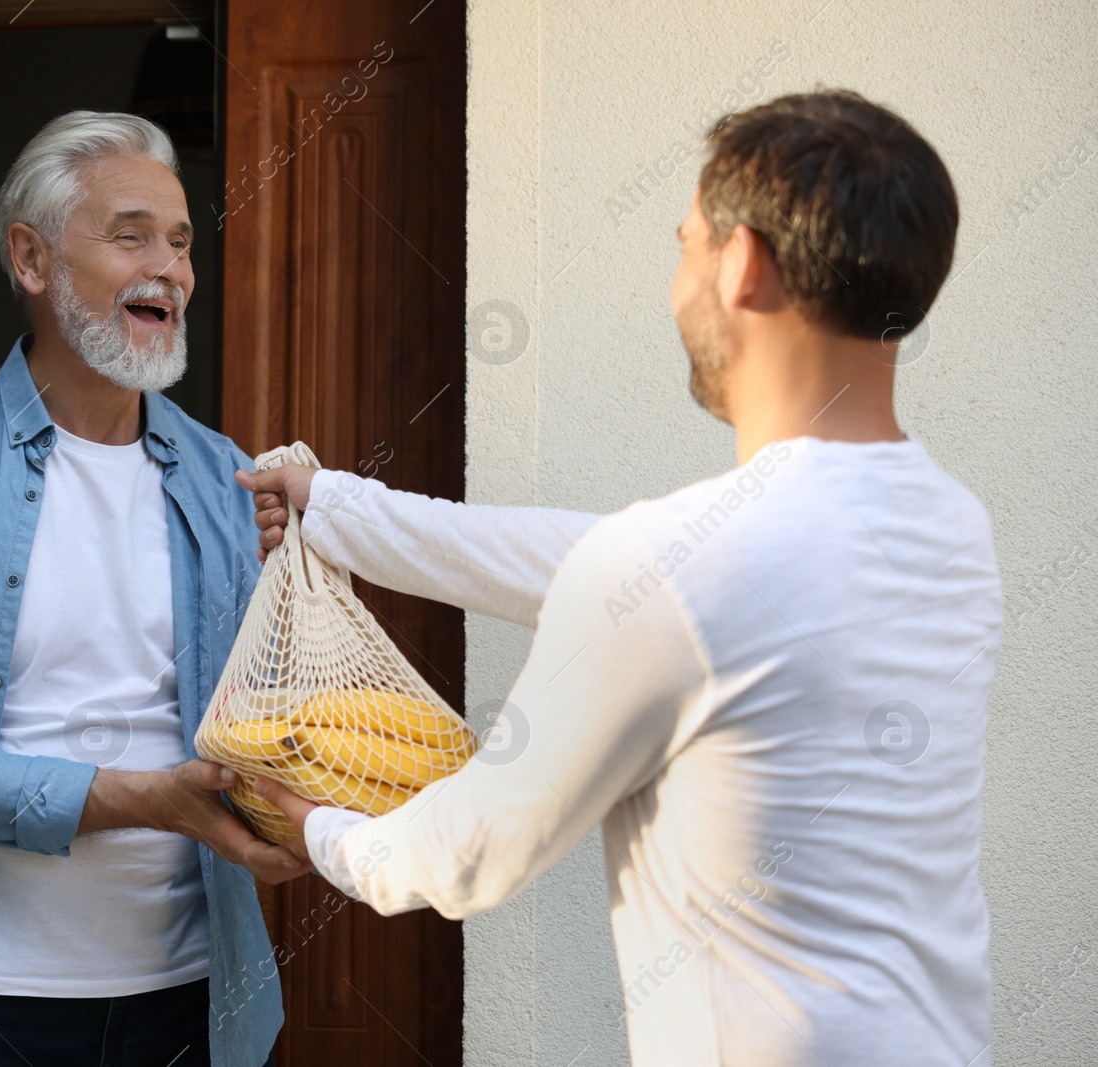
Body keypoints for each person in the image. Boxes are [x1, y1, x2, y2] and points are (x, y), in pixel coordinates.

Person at [239, 90, 1000, 1067]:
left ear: (745, 264)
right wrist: (339, 508)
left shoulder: (685, 569)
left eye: (684, 243)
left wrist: (320, 831)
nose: (676, 277)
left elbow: (473, 849)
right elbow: (628, 570)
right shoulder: (948, 524)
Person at [0, 111, 300, 1067]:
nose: (168, 267)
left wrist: (301, 575)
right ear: (32, 259)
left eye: (180, 242)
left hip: (198, 1003)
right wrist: (151, 798)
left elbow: (272, 719)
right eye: (130, 235)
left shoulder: (230, 479)